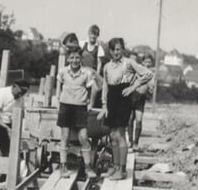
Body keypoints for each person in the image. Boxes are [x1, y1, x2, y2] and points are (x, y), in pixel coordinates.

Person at [98, 38, 153, 180]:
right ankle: (115, 167)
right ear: (109, 51)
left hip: (123, 99)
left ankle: (122, 170)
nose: (115, 52)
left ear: (122, 49)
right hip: (111, 99)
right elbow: (105, 85)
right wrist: (104, 105)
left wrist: (133, 87)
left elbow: (147, 74)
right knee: (112, 135)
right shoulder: (107, 67)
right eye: (112, 50)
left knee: (120, 135)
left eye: (118, 49)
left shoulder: (128, 62)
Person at [56, 46, 97, 179]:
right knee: (65, 136)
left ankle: (88, 167)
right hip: (66, 107)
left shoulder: (86, 74)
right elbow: (59, 87)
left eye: (77, 57)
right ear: (68, 59)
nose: (74, 60)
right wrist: (58, 99)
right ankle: (63, 166)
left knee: (84, 137)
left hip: (80, 108)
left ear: (81, 59)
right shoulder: (63, 72)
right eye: (72, 57)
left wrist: (90, 103)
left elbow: (91, 90)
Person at [0, 79, 30, 157]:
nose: (21, 94)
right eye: (20, 91)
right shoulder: (2, 93)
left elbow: (20, 114)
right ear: (14, 86)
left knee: (7, 153)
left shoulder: (20, 99)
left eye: (24, 92)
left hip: (8, 127)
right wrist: (6, 127)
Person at [128, 54, 155, 150]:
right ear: (142, 62)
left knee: (139, 121)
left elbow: (151, 88)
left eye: (149, 62)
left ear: (151, 63)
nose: (147, 64)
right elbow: (131, 80)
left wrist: (151, 89)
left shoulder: (151, 74)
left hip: (141, 98)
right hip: (132, 95)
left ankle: (136, 142)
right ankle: (130, 141)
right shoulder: (138, 69)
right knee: (130, 119)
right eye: (145, 62)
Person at [79, 25, 106, 108]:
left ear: (97, 36)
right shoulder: (82, 44)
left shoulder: (99, 48)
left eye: (95, 34)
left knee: (94, 85)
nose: (93, 36)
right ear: (88, 34)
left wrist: (96, 75)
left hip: (92, 72)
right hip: (82, 70)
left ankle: (91, 104)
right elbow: (78, 57)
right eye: (91, 34)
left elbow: (99, 63)